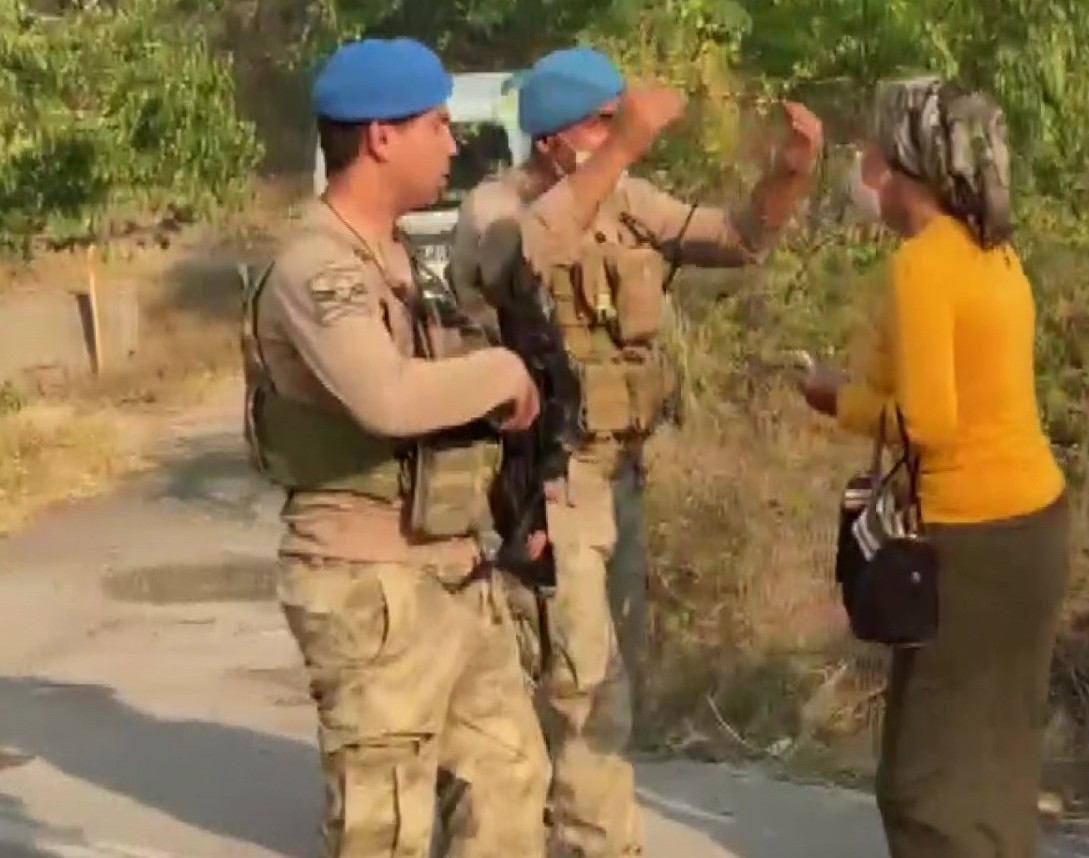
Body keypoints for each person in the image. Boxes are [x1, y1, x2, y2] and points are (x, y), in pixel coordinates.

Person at [449, 45, 823, 858]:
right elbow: (514, 265)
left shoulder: (623, 201)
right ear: (553, 140)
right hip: (547, 479)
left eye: (618, 125)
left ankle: (548, 827)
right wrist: (619, 154)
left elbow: (736, 238)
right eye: (601, 126)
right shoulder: (494, 209)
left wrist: (790, 176)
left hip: (618, 475)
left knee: (597, 673)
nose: (619, 139)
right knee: (584, 684)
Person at [239, 37, 550, 858]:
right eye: (438, 125)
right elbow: (386, 396)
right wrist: (502, 371)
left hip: (451, 568)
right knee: (387, 830)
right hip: (367, 582)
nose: (453, 143)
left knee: (511, 783)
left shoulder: (403, 258)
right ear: (381, 137)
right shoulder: (318, 266)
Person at [796, 76, 1069, 858]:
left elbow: (931, 424)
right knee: (996, 758)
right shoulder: (994, 252)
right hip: (1034, 524)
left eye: (875, 151)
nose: (863, 167)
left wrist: (835, 399)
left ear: (907, 163)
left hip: (971, 538)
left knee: (924, 786)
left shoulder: (924, 265)